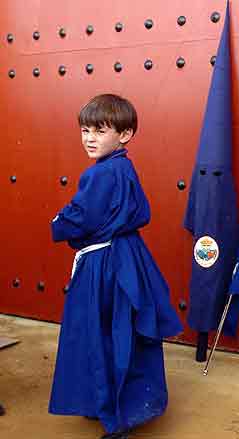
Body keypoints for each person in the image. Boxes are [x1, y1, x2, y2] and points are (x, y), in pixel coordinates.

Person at [48, 94, 183, 439]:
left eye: (100, 130)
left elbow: (80, 218)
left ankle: (113, 413)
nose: (89, 138)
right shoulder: (123, 166)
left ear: (125, 134)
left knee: (101, 334)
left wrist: (58, 223)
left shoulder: (100, 175)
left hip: (105, 267)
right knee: (123, 332)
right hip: (126, 258)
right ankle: (121, 405)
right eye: (84, 130)